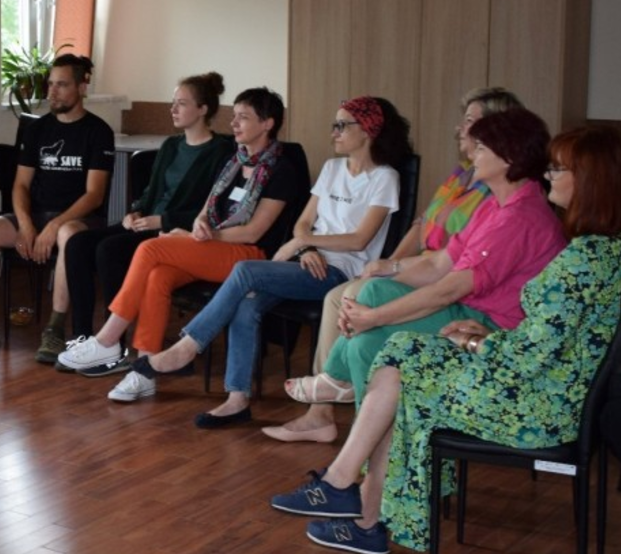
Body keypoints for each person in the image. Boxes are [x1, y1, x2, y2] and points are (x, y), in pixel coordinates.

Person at [268, 125, 621, 554]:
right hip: (541, 384)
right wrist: (487, 335)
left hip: (537, 406)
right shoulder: (598, 249)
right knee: (399, 355)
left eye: (559, 170)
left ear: (590, 180)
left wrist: (475, 344)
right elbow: (547, 337)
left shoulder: (580, 259)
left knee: (401, 376)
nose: (549, 176)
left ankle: (360, 508)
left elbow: (531, 356)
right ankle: (349, 493)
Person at [268, 107, 566, 444]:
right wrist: (379, 290)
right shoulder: (494, 205)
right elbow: (440, 264)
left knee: (368, 326)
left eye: (482, 147)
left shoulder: (518, 217)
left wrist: (374, 316)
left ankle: (341, 389)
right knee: (370, 298)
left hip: (490, 326)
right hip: (469, 309)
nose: (472, 154)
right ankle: (362, 433)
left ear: (509, 157)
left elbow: (449, 290)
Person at [128, 95, 411, 426]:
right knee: (247, 303)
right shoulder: (332, 169)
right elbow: (303, 223)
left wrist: (302, 243)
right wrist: (305, 247)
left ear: (367, 130)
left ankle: (189, 345)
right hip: (306, 261)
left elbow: (359, 239)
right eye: (334, 125)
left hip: (340, 272)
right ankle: (237, 400)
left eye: (342, 125)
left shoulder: (384, 178)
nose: (334, 132)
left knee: (245, 271)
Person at [57, 87, 309, 416]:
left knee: (150, 248)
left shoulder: (281, 170)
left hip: (250, 257)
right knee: (158, 276)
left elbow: (254, 232)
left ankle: (107, 340)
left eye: (243, 118)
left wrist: (206, 235)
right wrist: (199, 227)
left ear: (268, 123)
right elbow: (206, 209)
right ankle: (144, 370)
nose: (234, 123)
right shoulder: (234, 161)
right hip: (214, 246)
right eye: (234, 116)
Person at [59, 72, 233, 375]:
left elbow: (211, 210)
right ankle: (84, 337)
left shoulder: (220, 153)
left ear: (203, 109)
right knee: (77, 243)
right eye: (173, 102)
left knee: (109, 250)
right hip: (147, 224)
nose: (173, 109)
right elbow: (151, 192)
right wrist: (136, 211)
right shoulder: (171, 146)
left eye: (182, 103)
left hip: (173, 232)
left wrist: (161, 219)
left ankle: (114, 345)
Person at [0, 53, 115, 361]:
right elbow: (20, 185)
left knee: (67, 235)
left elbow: (94, 195)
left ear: (81, 88)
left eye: (62, 85)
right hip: (37, 214)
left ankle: (55, 329)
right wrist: (26, 224)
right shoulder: (37, 129)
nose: (52, 92)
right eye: (50, 84)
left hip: (79, 219)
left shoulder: (98, 131)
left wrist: (54, 225)